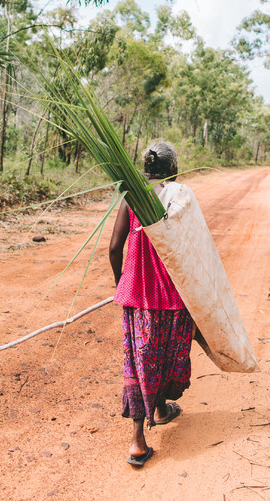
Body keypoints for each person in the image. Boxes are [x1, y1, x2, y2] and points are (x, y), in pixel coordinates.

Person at [108, 141, 194, 468]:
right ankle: (149, 421)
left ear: (144, 171)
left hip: (138, 298)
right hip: (172, 298)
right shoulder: (179, 199)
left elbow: (115, 249)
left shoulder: (131, 199)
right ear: (174, 170)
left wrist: (123, 284)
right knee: (165, 356)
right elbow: (190, 248)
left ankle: (140, 438)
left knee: (140, 360)